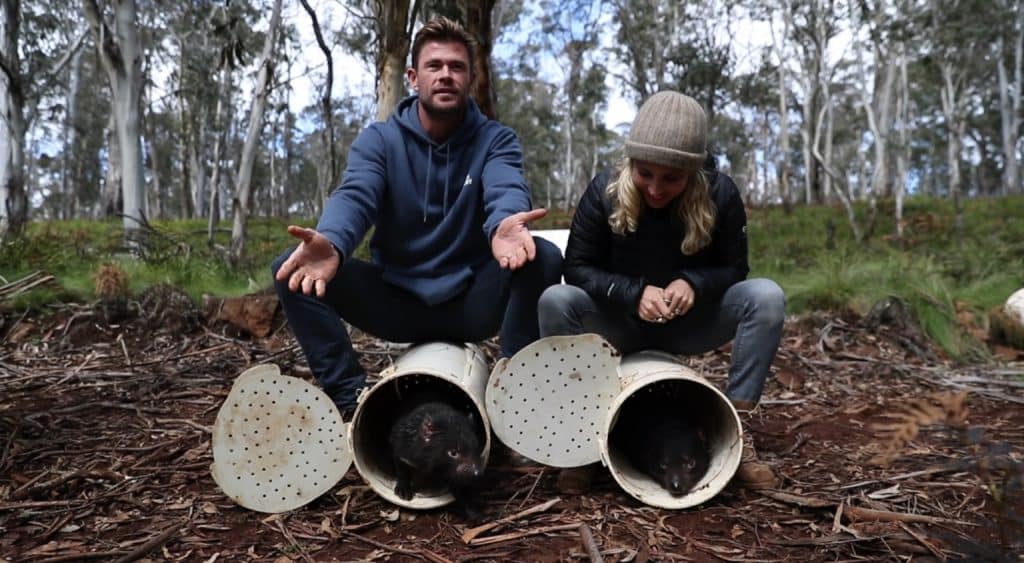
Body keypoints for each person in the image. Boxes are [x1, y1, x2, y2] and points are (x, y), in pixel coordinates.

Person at [272, 17, 562, 419]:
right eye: (434, 65)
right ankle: (352, 402)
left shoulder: (496, 140)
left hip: (470, 302)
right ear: (413, 77)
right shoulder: (380, 140)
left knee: (543, 256)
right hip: (397, 301)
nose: (446, 75)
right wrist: (333, 241)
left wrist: (503, 224)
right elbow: (356, 194)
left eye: (457, 67)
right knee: (292, 269)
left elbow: (505, 187)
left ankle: (512, 397)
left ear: (471, 78)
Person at [537, 91, 785, 489]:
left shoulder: (721, 194)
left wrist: (694, 283)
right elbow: (577, 268)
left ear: (694, 173)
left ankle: (737, 434)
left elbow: (735, 269)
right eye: (645, 173)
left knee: (766, 297)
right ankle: (581, 439)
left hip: (688, 324)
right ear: (630, 163)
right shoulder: (604, 191)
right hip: (619, 323)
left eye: (671, 178)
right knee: (556, 300)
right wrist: (632, 292)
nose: (655, 189)